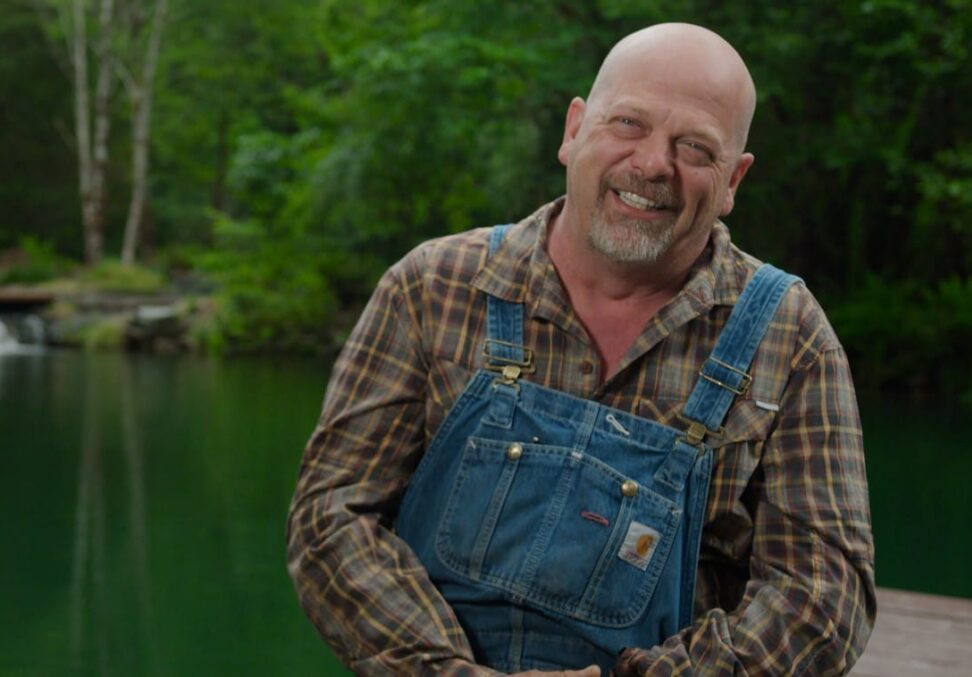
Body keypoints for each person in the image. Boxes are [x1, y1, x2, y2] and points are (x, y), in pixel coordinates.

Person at [287, 22, 875, 676]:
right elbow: (331, 518)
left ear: (733, 178)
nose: (653, 164)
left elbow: (823, 596)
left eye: (695, 148)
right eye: (628, 123)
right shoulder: (432, 286)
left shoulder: (789, 336)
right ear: (574, 131)